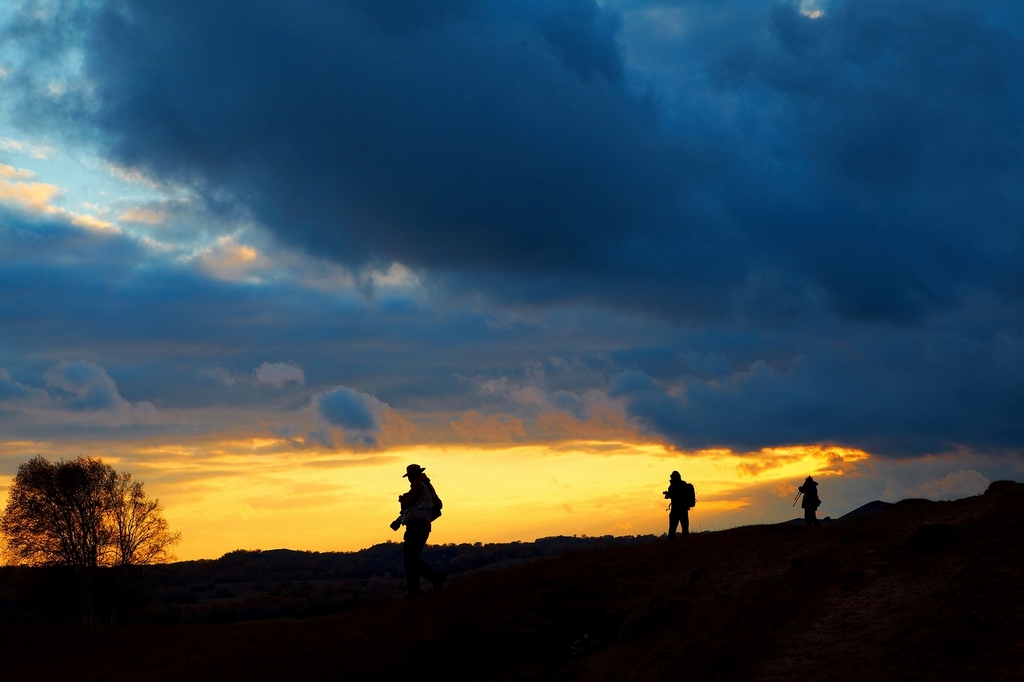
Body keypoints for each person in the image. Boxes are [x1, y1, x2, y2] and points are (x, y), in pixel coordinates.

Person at [396, 463, 446, 597]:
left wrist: (402, 498)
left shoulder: (418, 487)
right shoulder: (428, 487)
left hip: (416, 526)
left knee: (410, 560)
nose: (409, 479)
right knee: (412, 559)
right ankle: (419, 589)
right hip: (423, 526)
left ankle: (420, 588)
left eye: (409, 477)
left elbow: (407, 502)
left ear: (412, 476)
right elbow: (439, 504)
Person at [664, 471, 695, 538]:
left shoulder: (683, 485)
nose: (672, 479)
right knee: (672, 530)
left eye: (673, 477)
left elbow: (683, 496)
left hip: (682, 509)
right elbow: (673, 496)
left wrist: (672, 495)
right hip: (675, 509)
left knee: (684, 530)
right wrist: (668, 495)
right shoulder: (672, 486)